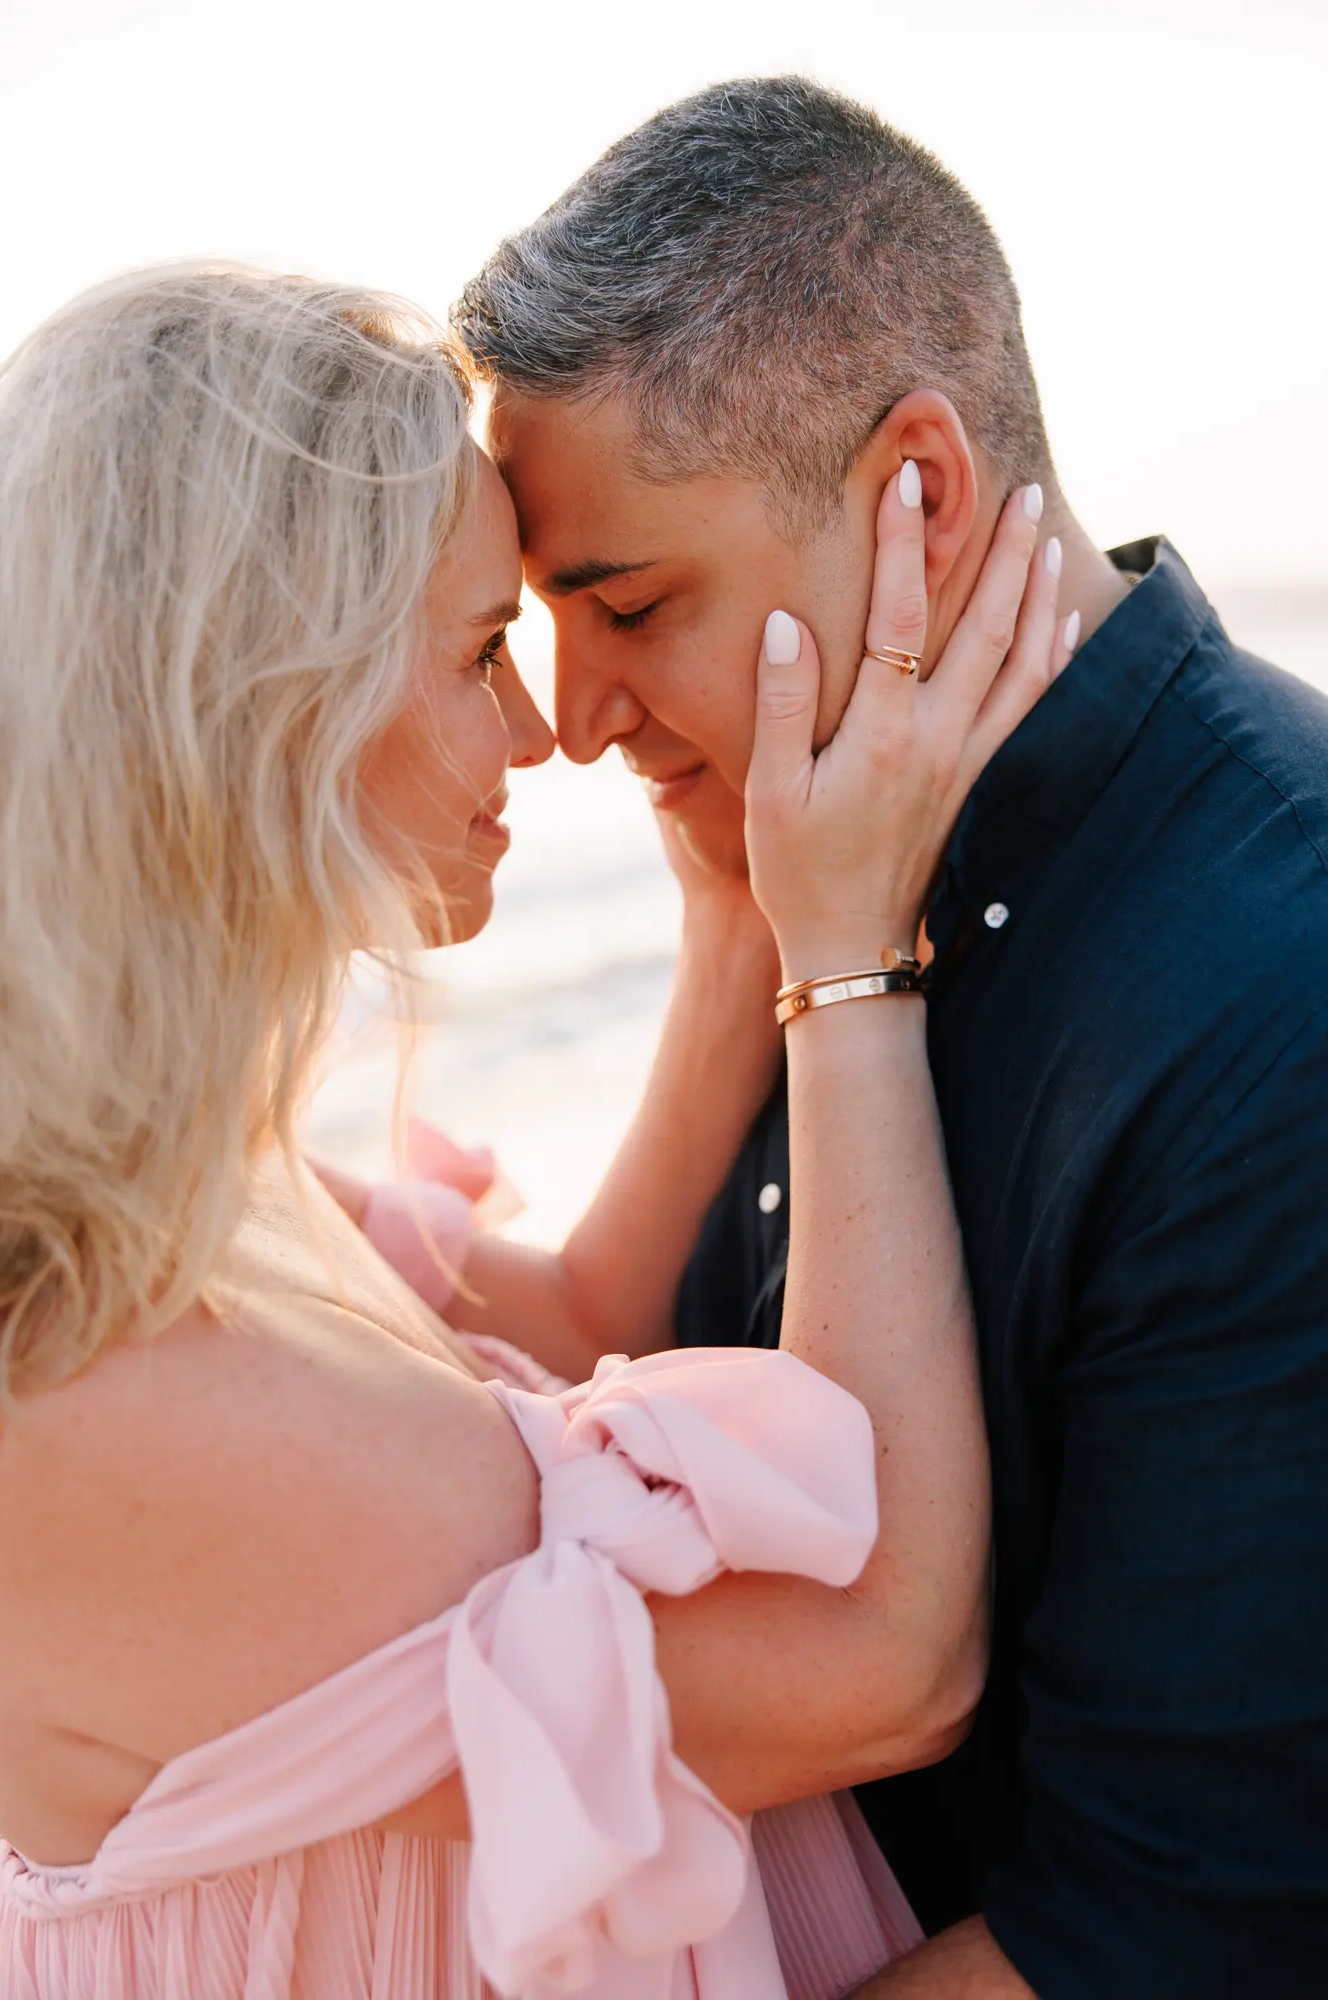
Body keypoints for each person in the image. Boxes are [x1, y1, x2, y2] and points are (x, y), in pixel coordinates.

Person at [0, 263, 1065, 1997]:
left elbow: (567, 1324)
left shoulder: (170, 1179)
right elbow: (878, 1662)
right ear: (269, 701)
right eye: (484, 649)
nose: (543, 727)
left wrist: (733, 913)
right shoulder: (80, 1368)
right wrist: (846, 961)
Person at [453, 75, 1328, 1997]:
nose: (571, 713)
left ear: (915, 494)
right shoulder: (817, 848)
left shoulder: (1277, 1005)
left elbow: (1163, 1936)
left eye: (627, 603)